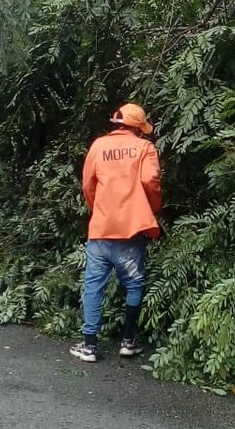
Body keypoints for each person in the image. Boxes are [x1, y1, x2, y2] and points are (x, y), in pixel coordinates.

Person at [70, 103, 162, 362]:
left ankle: (89, 345)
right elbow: (150, 182)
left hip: (101, 227)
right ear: (137, 127)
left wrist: (99, 208)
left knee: (93, 285)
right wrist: (148, 209)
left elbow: (88, 185)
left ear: (118, 123)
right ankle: (128, 342)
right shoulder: (145, 148)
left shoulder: (98, 145)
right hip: (132, 230)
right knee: (134, 284)